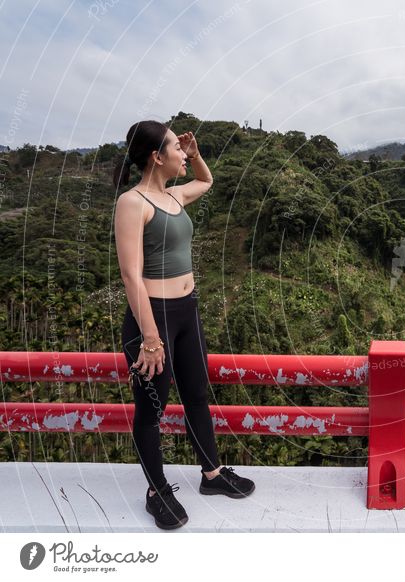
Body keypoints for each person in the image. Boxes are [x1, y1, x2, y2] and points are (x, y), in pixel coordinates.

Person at [113, 120, 254, 530]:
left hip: (186, 311)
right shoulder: (133, 202)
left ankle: (211, 475)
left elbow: (205, 181)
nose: (182, 152)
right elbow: (130, 275)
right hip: (151, 319)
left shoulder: (173, 195)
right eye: (176, 148)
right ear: (156, 156)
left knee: (195, 394)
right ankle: (157, 490)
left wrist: (195, 154)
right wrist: (151, 338)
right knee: (151, 408)